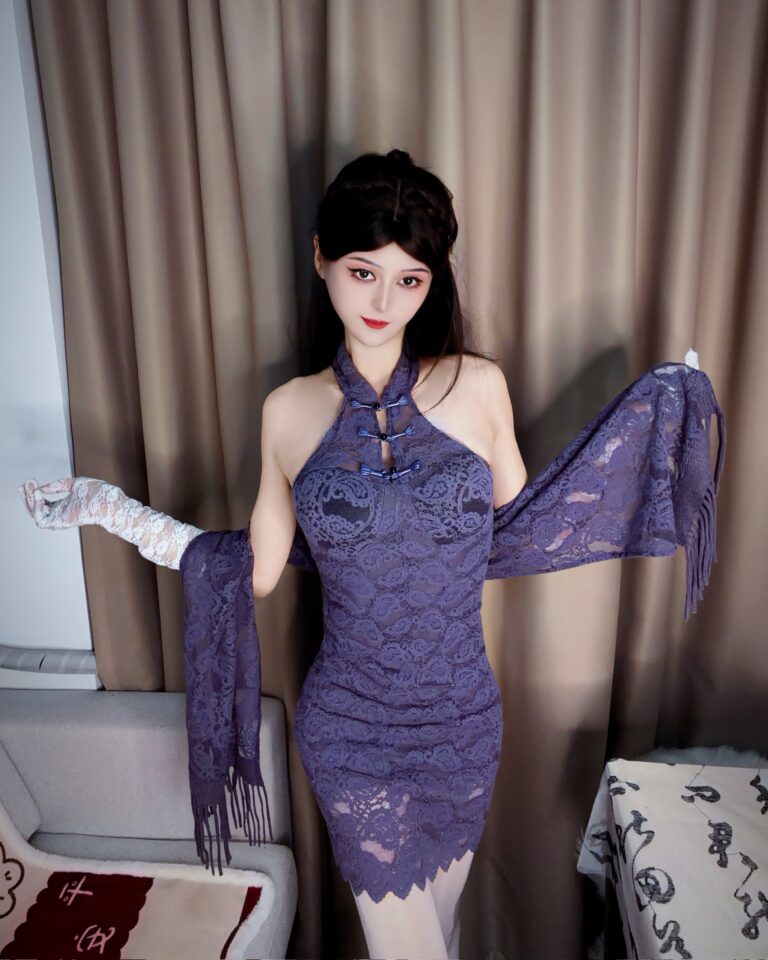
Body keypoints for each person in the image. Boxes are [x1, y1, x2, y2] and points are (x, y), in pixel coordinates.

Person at [19, 148, 725, 960]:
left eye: (410, 280)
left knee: (441, 935)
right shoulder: (287, 411)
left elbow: (526, 525)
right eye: (363, 272)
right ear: (321, 255)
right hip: (350, 730)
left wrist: (655, 414)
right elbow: (255, 569)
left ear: (432, 283)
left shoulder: (479, 387)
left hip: (463, 722)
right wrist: (112, 511)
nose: (385, 302)